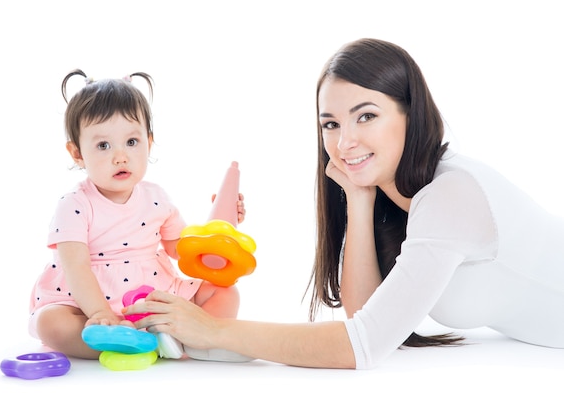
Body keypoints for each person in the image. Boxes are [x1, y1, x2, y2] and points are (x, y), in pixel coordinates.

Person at [123, 38, 564, 369]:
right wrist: (358, 197)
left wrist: (217, 330)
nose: (344, 141)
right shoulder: (401, 199)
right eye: (330, 123)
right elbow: (365, 311)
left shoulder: (451, 195)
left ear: (411, 113)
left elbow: (362, 344)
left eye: (366, 115)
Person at [28, 69, 250, 362]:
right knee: (51, 324)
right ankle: (125, 342)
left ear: (149, 141)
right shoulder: (74, 204)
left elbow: (182, 251)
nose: (120, 156)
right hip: (88, 303)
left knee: (225, 293)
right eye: (103, 145)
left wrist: (220, 230)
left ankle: (186, 339)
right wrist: (99, 313)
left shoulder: (156, 198)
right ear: (77, 153)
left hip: (150, 295)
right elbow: (76, 267)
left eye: (131, 142)